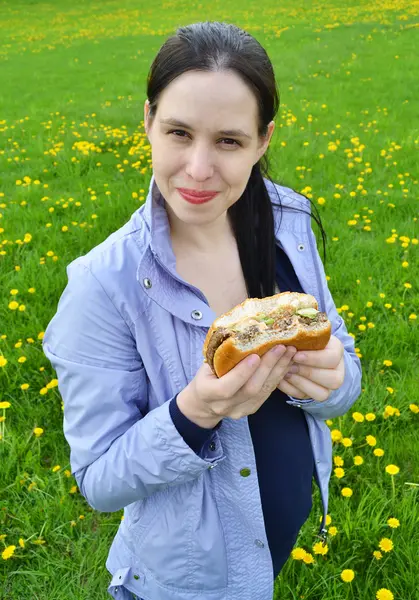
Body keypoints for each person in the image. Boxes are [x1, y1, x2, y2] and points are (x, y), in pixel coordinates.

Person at [42, 21, 362, 600]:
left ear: (263, 140)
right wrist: (194, 412)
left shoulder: (288, 223)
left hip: (269, 552)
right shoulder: (102, 285)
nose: (196, 168)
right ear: (148, 122)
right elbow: (99, 480)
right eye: (179, 133)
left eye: (229, 141)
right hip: (184, 583)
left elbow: (338, 356)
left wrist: (336, 383)